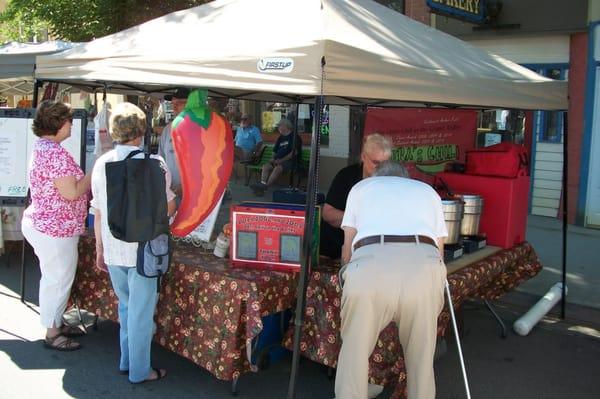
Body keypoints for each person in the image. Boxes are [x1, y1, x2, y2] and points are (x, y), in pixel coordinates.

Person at [335, 160, 447, 399]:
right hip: (423, 266)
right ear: (406, 178)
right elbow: (440, 251)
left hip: (371, 266)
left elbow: (347, 250)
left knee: (354, 352)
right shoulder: (428, 192)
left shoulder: (361, 188)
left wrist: (347, 279)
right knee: (421, 357)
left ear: (377, 177)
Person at [91, 102, 176, 384]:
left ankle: (127, 361)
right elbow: (168, 208)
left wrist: (99, 248)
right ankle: (140, 371)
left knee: (126, 308)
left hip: (114, 246)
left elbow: (98, 211)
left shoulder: (102, 163)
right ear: (141, 132)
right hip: (145, 251)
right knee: (140, 314)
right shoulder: (156, 164)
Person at [21, 100, 91, 351]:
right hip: (55, 229)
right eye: (69, 120)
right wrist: (92, 175)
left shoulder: (43, 148)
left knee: (55, 278)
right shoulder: (54, 153)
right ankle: (52, 332)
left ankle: (56, 322)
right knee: (58, 280)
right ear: (60, 124)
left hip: (45, 224)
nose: (72, 125)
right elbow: (71, 192)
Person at [320, 133, 392, 259]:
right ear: (363, 156)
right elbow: (327, 213)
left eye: (385, 163)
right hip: (335, 248)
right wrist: (360, 220)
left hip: (371, 252)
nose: (381, 168)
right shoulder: (346, 176)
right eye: (376, 162)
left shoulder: (390, 180)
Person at [251, 118, 302, 196]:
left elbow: (294, 152)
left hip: (291, 162)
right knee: (266, 166)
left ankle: (265, 187)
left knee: (278, 168)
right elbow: (275, 151)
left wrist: (281, 160)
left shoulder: (295, 137)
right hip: (278, 161)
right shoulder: (280, 137)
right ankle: (262, 184)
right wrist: (273, 159)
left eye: (279, 126)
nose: (278, 128)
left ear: (285, 126)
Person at [158, 87, 190, 201]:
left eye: (180, 103)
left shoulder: (200, 130)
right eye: (173, 103)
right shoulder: (167, 130)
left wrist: (187, 185)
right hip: (171, 194)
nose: (174, 106)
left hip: (195, 195)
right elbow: (160, 161)